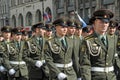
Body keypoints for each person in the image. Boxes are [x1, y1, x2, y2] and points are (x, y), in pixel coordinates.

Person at [79, 9, 118, 80]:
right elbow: (85, 65)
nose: (104, 25)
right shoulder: (88, 41)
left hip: (111, 77)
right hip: (96, 77)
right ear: (94, 23)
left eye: (106, 23)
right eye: (101, 22)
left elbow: (115, 60)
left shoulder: (113, 39)